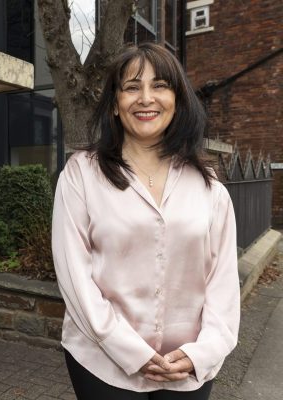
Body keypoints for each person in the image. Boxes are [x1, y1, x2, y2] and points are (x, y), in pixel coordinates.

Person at [51, 42, 240, 400]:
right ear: (114, 105)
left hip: (186, 365)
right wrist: (129, 350)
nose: (146, 98)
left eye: (160, 86)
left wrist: (205, 351)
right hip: (102, 361)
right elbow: (75, 275)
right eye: (132, 87)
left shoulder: (209, 188)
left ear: (178, 100)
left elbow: (223, 285)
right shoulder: (81, 175)